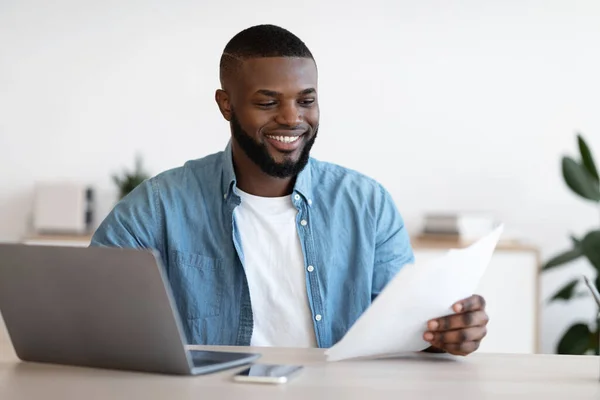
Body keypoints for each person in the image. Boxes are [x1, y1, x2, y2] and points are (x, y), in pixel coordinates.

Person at [91, 24, 489, 356]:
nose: (291, 118)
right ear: (226, 104)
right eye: (268, 102)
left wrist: (444, 334)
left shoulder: (367, 204)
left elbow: (405, 334)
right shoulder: (156, 205)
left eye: (306, 100)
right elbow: (91, 316)